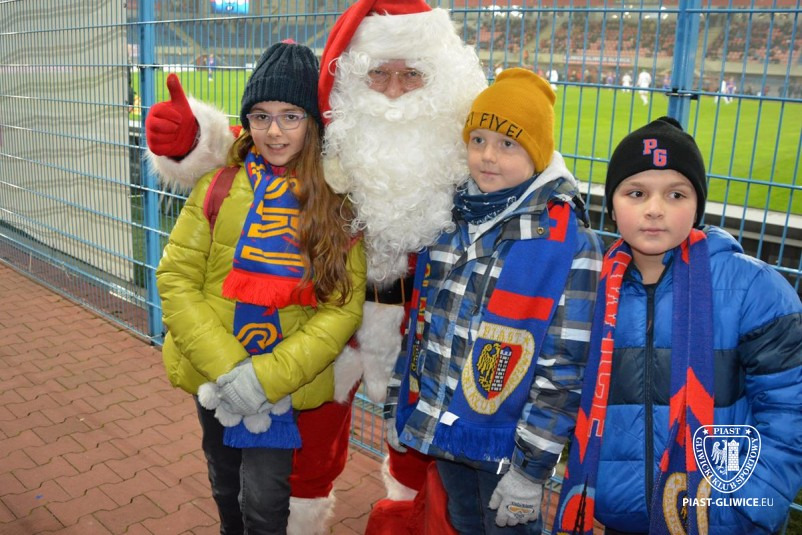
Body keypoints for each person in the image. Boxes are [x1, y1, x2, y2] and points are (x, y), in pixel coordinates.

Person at [145, 1, 488, 532]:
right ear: (353, 79)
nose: (393, 92)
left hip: (420, 330)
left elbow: (516, 162)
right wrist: (192, 139)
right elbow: (251, 148)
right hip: (323, 329)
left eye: (412, 75)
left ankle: (409, 519)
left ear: (439, 79)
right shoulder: (332, 139)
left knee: (420, 451)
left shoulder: (461, 146)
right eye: (379, 74)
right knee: (305, 455)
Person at [154, 42, 366, 534]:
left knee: (267, 505)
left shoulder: (337, 201)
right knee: (224, 484)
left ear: (314, 122)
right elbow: (176, 277)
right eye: (261, 116)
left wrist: (264, 380)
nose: (274, 131)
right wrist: (230, 369)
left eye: (291, 116)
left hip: (280, 387)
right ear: (246, 119)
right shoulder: (218, 186)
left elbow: (341, 310)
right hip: (214, 374)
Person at [553, 117, 802, 535]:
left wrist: (744, 510)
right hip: (611, 520)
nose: (655, 209)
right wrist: (588, 497)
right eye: (636, 193)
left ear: (697, 206)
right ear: (612, 206)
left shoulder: (754, 289)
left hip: (721, 521)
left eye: (676, 194)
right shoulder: (588, 287)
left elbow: (790, 413)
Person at [384, 68, 604, 535]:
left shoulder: (569, 242)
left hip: (508, 446)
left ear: (537, 153)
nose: (487, 155)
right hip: (445, 426)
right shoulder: (445, 221)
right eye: (478, 140)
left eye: (508, 144)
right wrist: (398, 402)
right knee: (463, 522)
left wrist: (531, 469)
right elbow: (419, 326)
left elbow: (566, 367)